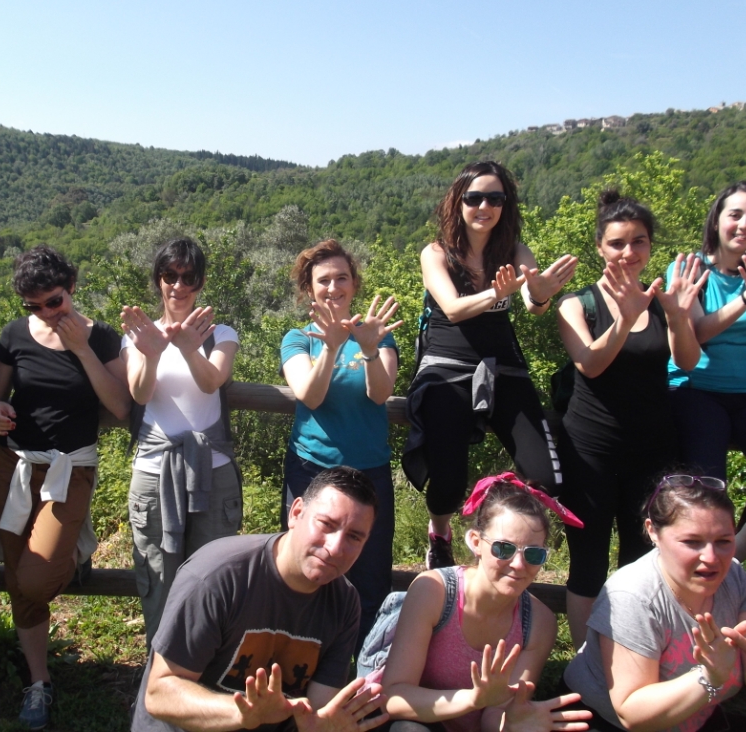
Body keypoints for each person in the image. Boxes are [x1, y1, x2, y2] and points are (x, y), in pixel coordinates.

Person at [404, 161, 578, 570]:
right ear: (458, 202)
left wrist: (539, 295)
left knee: (545, 477)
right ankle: (441, 534)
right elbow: (452, 307)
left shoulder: (514, 250)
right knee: (446, 478)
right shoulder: (436, 252)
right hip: (446, 366)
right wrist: (496, 295)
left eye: (495, 198)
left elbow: (534, 305)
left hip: (503, 365)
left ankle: (495, 518)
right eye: (475, 197)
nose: (485, 206)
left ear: (506, 204)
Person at [0, 245, 130, 730]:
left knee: (37, 578)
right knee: (17, 579)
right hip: (14, 467)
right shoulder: (14, 335)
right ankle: (38, 682)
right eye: (35, 305)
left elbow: (120, 405)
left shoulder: (104, 338)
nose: (47, 312)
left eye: (55, 300)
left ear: (72, 286)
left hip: (71, 471)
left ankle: (73, 550)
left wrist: (82, 348)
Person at [556, 191, 707, 647]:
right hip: (590, 450)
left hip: (653, 449)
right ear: (600, 247)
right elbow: (589, 364)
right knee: (588, 561)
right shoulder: (576, 304)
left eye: (638, 242)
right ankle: (586, 669)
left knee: (643, 558)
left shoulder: (664, 301)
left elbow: (689, 359)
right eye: (618, 243)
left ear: (649, 246)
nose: (628, 252)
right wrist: (623, 319)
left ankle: (634, 657)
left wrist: (679, 318)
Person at [133, 466, 388, 732]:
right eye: (327, 524)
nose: (335, 548)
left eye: (354, 537)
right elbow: (160, 693)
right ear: (296, 512)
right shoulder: (217, 578)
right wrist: (243, 713)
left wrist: (319, 726)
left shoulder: (344, 603)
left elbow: (317, 708)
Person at [378, 473, 591, 732]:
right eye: (504, 549)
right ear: (476, 543)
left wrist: (512, 724)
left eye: (533, 554)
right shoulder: (434, 591)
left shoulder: (539, 623)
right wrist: (472, 699)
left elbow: (494, 718)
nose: (518, 565)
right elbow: (395, 697)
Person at [563, 474, 746, 732]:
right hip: (601, 720)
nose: (711, 558)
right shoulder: (631, 596)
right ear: (653, 531)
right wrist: (709, 676)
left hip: (694, 716)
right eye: (692, 542)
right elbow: (632, 713)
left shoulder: (734, 577)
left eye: (723, 541)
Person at [120, 238, 242, 645]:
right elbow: (139, 393)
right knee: (158, 575)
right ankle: (159, 679)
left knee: (212, 575)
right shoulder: (139, 337)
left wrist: (189, 348)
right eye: (170, 276)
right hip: (154, 472)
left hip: (214, 471)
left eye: (188, 277)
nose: (178, 286)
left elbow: (211, 381)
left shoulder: (221, 333)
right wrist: (152, 353)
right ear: (158, 281)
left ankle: (204, 670)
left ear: (201, 282)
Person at [280, 239, 401, 645]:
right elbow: (309, 395)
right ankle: (303, 661)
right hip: (312, 470)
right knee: (307, 569)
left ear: (355, 284)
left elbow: (380, 393)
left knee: (370, 578)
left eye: (342, 278)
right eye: (324, 280)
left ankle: (364, 674)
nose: (334, 287)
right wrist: (330, 347)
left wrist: (368, 348)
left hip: (369, 472)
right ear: (309, 290)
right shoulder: (297, 338)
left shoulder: (377, 335)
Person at [668, 182, 746, 524]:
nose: (744, 225)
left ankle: (733, 553)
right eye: (735, 215)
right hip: (698, 390)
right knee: (709, 491)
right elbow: (698, 333)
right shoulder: (692, 271)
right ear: (717, 220)